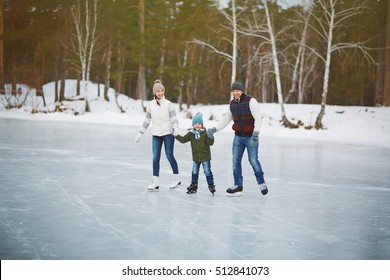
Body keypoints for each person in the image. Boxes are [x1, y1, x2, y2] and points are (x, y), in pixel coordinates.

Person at [207, 82, 268, 197]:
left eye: (237, 91)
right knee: (236, 161)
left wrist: (256, 134)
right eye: (233, 91)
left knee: (253, 160)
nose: (235, 93)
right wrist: (214, 129)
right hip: (238, 137)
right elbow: (225, 120)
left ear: (242, 91)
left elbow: (258, 118)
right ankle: (238, 185)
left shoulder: (251, 101)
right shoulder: (232, 104)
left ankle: (262, 183)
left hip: (251, 137)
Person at [135, 79, 181, 191]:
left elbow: (174, 119)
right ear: (154, 93)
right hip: (156, 135)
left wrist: (175, 127)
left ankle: (176, 179)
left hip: (168, 134)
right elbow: (147, 120)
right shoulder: (150, 105)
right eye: (158, 91)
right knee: (155, 158)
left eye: (162, 90)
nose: (160, 93)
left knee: (169, 156)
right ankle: (155, 182)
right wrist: (140, 133)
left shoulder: (169, 104)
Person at [175, 113, 216, 195]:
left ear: (202, 125)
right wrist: (176, 135)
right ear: (193, 124)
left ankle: (211, 185)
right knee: (194, 171)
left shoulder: (205, 133)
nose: (197, 125)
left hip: (205, 156)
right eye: (195, 124)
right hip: (196, 157)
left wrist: (211, 136)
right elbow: (183, 140)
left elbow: (210, 143)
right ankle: (194, 185)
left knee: (207, 171)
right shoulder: (191, 133)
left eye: (199, 124)